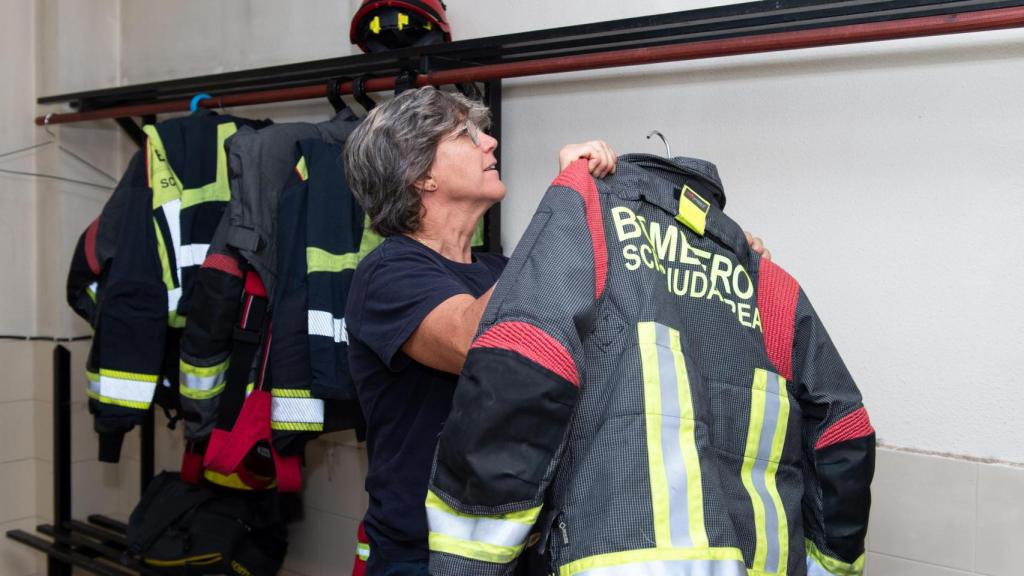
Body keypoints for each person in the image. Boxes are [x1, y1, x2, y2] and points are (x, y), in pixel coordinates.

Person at [342, 86, 771, 575]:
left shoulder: (499, 269)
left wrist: (711, 257)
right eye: (466, 134)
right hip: (424, 557)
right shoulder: (387, 273)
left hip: (519, 547)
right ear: (420, 174)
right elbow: (479, 340)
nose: (490, 142)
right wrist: (567, 203)